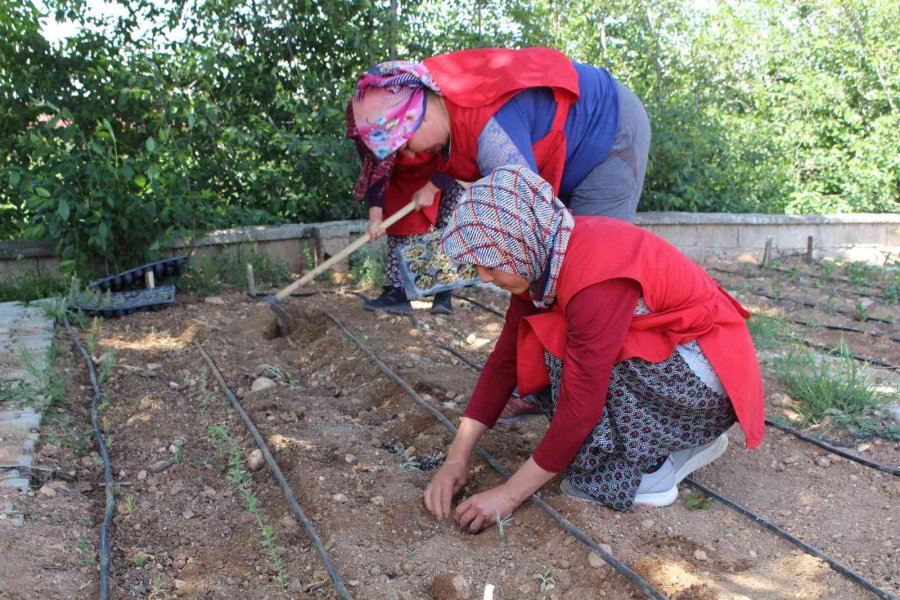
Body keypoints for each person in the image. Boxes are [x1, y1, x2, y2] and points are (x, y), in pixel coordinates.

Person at [423, 166, 764, 530]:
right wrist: (455, 459)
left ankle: (655, 472)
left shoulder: (592, 278)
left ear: (519, 243)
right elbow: (504, 362)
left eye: (490, 264)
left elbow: (582, 404)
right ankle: (674, 446)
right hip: (676, 365)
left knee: (563, 355)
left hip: (703, 383)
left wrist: (509, 495)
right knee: (543, 344)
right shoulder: (542, 258)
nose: (484, 277)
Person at [350, 46, 651, 418]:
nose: (409, 155)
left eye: (405, 143)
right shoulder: (450, 103)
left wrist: (498, 281)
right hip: (566, 146)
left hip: (610, 130)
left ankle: (614, 402)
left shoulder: (494, 138)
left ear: (423, 115)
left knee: (587, 275)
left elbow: (529, 239)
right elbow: (467, 160)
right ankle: (545, 388)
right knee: (544, 281)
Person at [347, 104, 465, 314]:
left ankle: (444, 293)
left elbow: (461, 154)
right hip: (403, 178)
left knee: (447, 226)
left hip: (445, 170)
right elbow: (373, 172)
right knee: (401, 228)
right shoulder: (366, 128)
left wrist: (432, 187)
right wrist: (375, 216)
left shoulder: (435, 112)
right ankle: (397, 293)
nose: (409, 153)